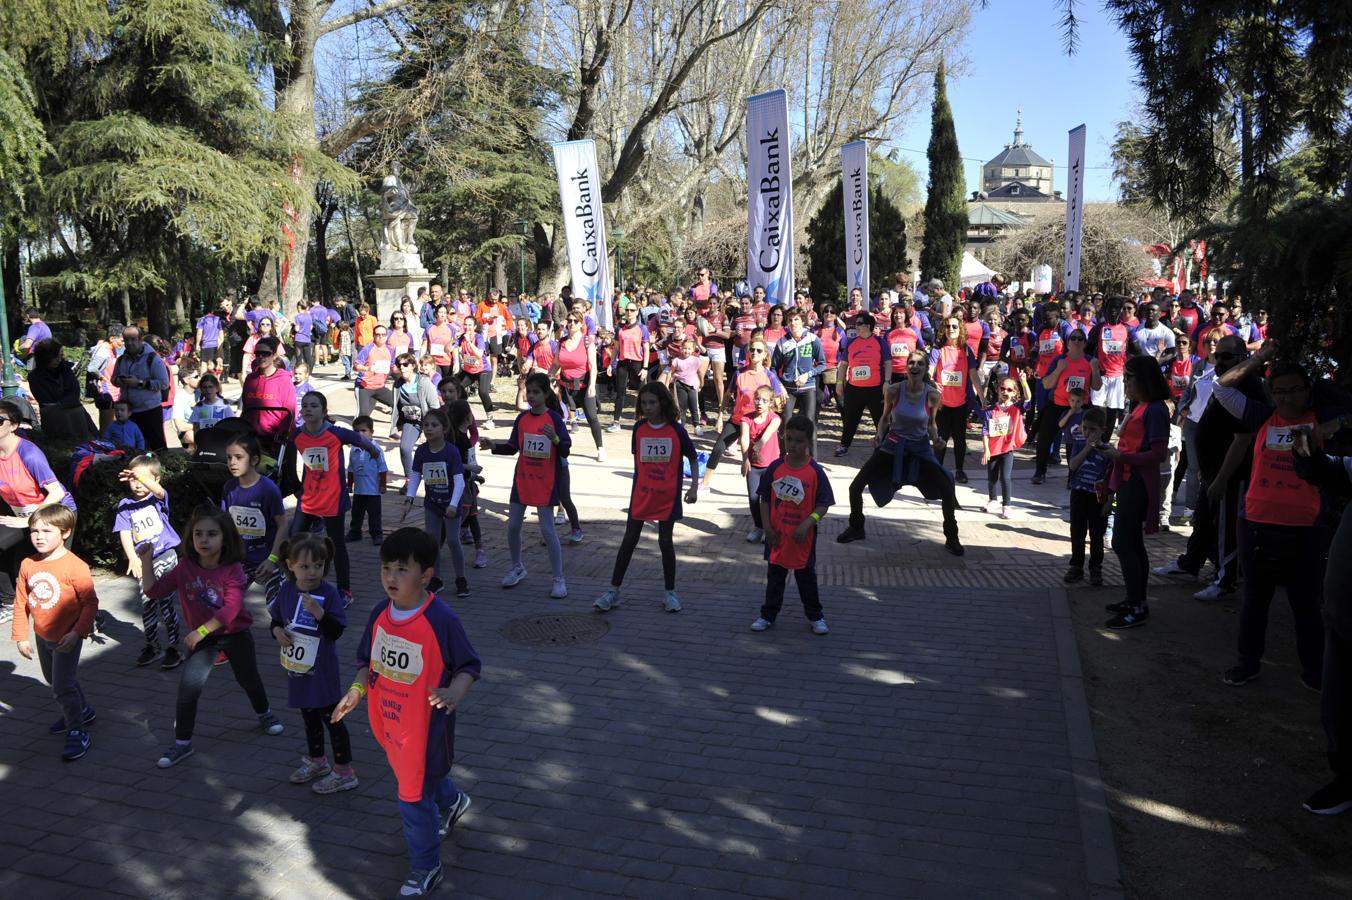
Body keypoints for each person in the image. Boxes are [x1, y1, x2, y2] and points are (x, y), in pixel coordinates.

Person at [330, 528, 479, 899]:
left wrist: (454, 693)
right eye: (385, 569)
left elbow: (469, 665)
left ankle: (426, 866)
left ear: (426, 575)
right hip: (389, 723)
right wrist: (357, 690)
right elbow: (368, 662)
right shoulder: (381, 613)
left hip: (426, 728)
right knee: (422, 780)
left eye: (401, 570)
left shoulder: (441, 619)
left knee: (412, 798)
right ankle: (452, 800)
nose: (390, 578)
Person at [1210, 356, 1326, 688]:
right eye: (1280, 392)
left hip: (1305, 529)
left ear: (1308, 392)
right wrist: (1261, 356)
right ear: (1271, 394)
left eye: (1295, 391)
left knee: (1305, 605)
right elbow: (1221, 387)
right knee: (1255, 601)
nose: (1288, 398)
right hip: (1257, 524)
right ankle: (1247, 664)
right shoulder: (1262, 417)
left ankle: (1314, 674)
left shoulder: (1324, 421)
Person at [138, 506, 283, 767]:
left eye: (212, 534)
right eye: (198, 534)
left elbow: (230, 611)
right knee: (188, 689)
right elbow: (154, 591)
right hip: (204, 640)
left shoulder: (233, 569)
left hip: (235, 634)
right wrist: (146, 560)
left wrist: (200, 631)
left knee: (248, 679)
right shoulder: (185, 568)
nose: (204, 540)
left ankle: (266, 714)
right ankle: (182, 744)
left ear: (225, 538)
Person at [838, 350, 964, 556]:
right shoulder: (894, 391)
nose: (915, 367)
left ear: (925, 369)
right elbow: (885, 418)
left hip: (920, 448)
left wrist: (937, 440)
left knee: (946, 486)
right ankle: (856, 527)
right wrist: (879, 436)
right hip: (893, 445)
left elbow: (931, 424)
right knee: (856, 486)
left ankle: (952, 536)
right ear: (906, 367)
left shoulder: (932, 394)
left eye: (920, 364)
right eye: (911, 363)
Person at [594, 383, 699, 614]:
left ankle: (670, 593)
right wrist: (635, 490)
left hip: (667, 496)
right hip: (641, 495)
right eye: (644, 403)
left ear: (663, 402)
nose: (648, 407)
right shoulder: (639, 428)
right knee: (629, 541)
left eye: (653, 402)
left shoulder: (676, 430)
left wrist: (693, 488)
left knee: (665, 543)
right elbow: (638, 464)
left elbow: (692, 457)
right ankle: (613, 591)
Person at [1290, 425, 1352, 813]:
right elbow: (1329, 472)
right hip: (1344, 614)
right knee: (1340, 691)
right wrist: (1307, 452)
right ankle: (1345, 777)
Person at [268, 533, 356, 794]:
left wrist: (320, 614)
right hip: (298, 670)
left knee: (333, 719)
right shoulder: (287, 590)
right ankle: (318, 761)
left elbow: (337, 631)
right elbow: (275, 621)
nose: (312, 572)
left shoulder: (328, 594)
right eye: (305, 566)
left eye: (318, 565)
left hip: (323, 670)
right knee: (309, 717)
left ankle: (344, 772)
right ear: (290, 565)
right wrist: (277, 633)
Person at [10, 505, 99, 761]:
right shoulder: (28, 564)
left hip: (68, 635)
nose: (38, 536)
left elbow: (90, 603)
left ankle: (77, 731)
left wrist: (78, 633)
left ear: (65, 532)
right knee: (57, 680)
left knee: (61, 686)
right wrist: (21, 636)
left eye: (46, 531)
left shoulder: (75, 566)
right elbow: (21, 602)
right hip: (42, 634)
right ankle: (83, 710)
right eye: (34, 531)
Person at [479, 372, 570, 599]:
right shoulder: (522, 419)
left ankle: (559, 579)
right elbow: (512, 447)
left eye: (536, 392)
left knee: (547, 530)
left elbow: (566, 448)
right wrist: (493, 445)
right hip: (522, 480)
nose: (531, 396)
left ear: (546, 393)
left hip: (546, 482)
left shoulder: (554, 420)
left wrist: (555, 440)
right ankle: (517, 567)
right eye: (528, 391)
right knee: (512, 526)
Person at [1098, 356, 1172, 629]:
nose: (1126, 381)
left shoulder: (1155, 410)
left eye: (1130, 377)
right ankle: (1134, 599)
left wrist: (1118, 455)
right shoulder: (1142, 406)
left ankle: (1137, 604)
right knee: (1130, 543)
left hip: (1139, 482)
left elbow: (1158, 454)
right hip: (1129, 478)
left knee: (1123, 543)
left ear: (1144, 379)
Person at [289, 391, 381, 608]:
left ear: (324, 412)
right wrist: (295, 487)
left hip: (332, 496)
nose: (308, 409)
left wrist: (373, 452)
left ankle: (344, 590)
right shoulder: (296, 435)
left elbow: (360, 439)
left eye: (314, 406)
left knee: (336, 544)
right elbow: (288, 461)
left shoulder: (336, 433)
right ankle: (296, 586)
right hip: (309, 496)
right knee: (295, 540)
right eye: (305, 406)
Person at [749, 415, 834, 635]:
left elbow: (824, 505)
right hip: (777, 536)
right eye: (789, 439)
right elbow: (764, 499)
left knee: (806, 579)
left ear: (808, 443)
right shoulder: (776, 467)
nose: (793, 444)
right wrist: (766, 526)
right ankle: (767, 615)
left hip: (801, 540)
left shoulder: (815, 472)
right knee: (775, 579)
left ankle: (816, 616)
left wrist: (808, 523)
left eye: (798, 440)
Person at [0, 400, 78, 625]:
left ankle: (86, 612)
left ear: (14, 425)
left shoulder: (28, 453)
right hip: (22, 515)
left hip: (55, 512)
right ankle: (8, 602)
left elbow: (54, 492)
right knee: (11, 556)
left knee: (52, 567)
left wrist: (29, 521)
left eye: (0, 420)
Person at [114, 454, 184, 669]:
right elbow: (124, 532)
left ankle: (175, 647)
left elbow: (160, 491)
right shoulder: (125, 505)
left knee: (165, 602)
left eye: (143, 479)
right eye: (133, 479)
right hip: (144, 561)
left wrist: (142, 478)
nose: (137, 484)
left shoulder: (158, 499)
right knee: (147, 604)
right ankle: (152, 645)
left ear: (156, 479)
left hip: (165, 555)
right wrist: (132, 558)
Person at [703, 338, 785, 487]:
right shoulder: (739, 373)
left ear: (765, 354)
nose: (755, 353)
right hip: (738, 420)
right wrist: (720, 416)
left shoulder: (770, 376)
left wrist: (771, 412)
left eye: (759, 350)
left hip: (759, 423)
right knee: (718, 449)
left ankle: (774, 485)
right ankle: (705, 482)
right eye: (752, 349)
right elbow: (728, 395)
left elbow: (777, 400)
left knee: (766, 457)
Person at [405, 408, 468, 597]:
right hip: (432, 503)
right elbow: (416, 475)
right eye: (426, 425)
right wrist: (409, 498)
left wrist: (454, 505)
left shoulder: (451, 452)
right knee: (432, 542)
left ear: (445, 429)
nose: (429, 429)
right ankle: (436, 579)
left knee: (452, 540)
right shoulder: (422, 451)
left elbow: (459, 480)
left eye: (434, 425)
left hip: (450, 503)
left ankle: (461, 578)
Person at [220, 433, 287, 609]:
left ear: (254, 459)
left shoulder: (268, 489)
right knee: (227, 605)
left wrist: (272, 559)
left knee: (277, 610)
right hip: (241, 560)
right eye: (229, 458)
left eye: (239, 457)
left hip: (269, 558)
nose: (232, 462)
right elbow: (225, 525)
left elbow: (283, 525)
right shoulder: (229, 487)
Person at [1035, 330, 1101, 484]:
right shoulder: (1060, 360)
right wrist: (1059, 370)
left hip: (1080, 408)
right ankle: (1040, 472)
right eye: (1073, 338)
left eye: (1080, 339)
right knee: (1044, 439)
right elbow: (1046, 384)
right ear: (1068, 342)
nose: (1076, 341)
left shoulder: (1090, 361)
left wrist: (1095, 370)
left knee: (1077, 441)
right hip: (1058, 405)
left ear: (1085, 343)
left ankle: (1075, 475)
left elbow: (1097, 387)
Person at [928, 315, 979, 483]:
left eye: (955, 327)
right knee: (940, 438)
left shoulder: (966, 350)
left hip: (960, 403)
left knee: (960, 439)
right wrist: (933, 382)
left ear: (960, 330)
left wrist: (983, 397)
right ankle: (936, 471)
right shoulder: (938, 350)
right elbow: (929, 371)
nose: (951, 329)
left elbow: (974, 375)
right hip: (942, 403)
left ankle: (959, 470)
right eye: (948, 326)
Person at [1065, 407, 1112, 586]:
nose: (1088, 433)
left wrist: (1109, 500)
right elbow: (1073, 465)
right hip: (1079, 493)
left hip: (1098, 497)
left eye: (1093, 429)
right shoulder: (1079, 444)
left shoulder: (1108, 451)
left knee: (1096, 533)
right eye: (1085, 428)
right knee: (1077, 531)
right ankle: (1076, 565)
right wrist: (1087, 447)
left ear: (1103, 430)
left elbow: (1111, 478)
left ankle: (1095, 567)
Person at [834, 313, 892, 457]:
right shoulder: (852, 342)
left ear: (868, 326)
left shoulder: (880, 342)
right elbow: (843, 365)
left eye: (859, 323)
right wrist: (840, 383)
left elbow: (888, 363)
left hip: (875, 389)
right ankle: (844, 445)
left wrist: (887, 382)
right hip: (854, 389)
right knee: (850, 419)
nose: (856, 326)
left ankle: (886, 446)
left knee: (880, 419)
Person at [549, 313, 604, 461]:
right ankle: (556, 446)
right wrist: (549, 378)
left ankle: (600, 448)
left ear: (581, 324)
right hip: (566, 387)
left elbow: (593, 366)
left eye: (575, 321)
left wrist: (592, 385)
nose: (572, 324)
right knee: (556, 416)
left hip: (584, 385)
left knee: (592, 417)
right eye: (570, 321)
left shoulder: (587, 342)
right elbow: (555, 364)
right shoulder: (561, 343)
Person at [111, 325, 170, 450]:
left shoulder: (153, 359)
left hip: (150, 411)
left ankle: (158, 467)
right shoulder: (121, 360)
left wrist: (139, 383)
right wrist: (120, 381)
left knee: (155, 447)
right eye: (126, 340)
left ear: (140, 339)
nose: (130, 343)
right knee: (134, 446)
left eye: (133, 339)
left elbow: (164, 383)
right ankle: (137, 467)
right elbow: (113, 379)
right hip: (129, 412)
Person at [981, 373, 1029, 518]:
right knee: (992, 477)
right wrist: (986, 450)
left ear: (1014, 392)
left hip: (1007, 449)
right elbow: (985, 431)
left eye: (1009, 389)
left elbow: (1028, 398)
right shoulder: (990, 410)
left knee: (1005, 478)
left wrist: (1024, 382)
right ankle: (993, 499)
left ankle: (1007, 505)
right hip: (993, 449)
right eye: (1003, 388)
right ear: (998, 390)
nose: (1005, 392)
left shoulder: (1017, 408)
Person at [446, 399, 487, 569]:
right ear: (468, 417)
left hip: (468, 482)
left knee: (472, 517)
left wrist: (474, 476)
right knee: (457, 518)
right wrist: (471, 468)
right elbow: (452, 463)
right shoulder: (456, 440)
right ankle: (440, 547)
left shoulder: (463, 437)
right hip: (459, 485)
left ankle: (480, 550)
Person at [739, 385, 782, 543]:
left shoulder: (775, 418)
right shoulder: (746, 418)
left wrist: (760, 444)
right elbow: (744, 438)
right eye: (757, 398)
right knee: (753, 498)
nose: (759, 403)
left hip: (772, 466)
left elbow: (769, 432)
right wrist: (745, 458)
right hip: (754, 466)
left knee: (771, 499)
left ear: (770, 403)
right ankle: (759, 527)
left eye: (764, 400)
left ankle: (770, 527)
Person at [241, 336, 296, 456]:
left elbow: (290, 411)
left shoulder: (284, 380)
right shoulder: (251, 379)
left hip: (275, 438)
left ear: (274, 355)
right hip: (251, 438)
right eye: (258, 353)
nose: (261, 357)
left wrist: (283, 437)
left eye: (265, 353)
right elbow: (245, 408)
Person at [772, 310, 826, 426]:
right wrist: (780, 386)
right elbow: (773, 368)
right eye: (790, 320)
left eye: (796, 319)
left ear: (802, 321)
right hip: (788, 388)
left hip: (808, 386)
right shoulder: (782, 342)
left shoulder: (812, 339)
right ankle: (785, 444)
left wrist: (808, 375)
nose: (793, 323)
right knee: (785, 420)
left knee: (810, 421)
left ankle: (810, 444)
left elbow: (822, 364)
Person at [393, 353, 440, 480]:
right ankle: (409, 479)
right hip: (411, 422)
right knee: (404, 448)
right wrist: (395, 426)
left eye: (405, 364)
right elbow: (396, 406)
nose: (402, 368)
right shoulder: (398, 384)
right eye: (399, 365)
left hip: (429, 422)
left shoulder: (423, 383)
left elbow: (435, 406)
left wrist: (426, 430)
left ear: (413, 366)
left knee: (433, 453)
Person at [1088, 298, 1130, 436]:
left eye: (1116, 308)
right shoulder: (1099, 328)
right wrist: (1094, 366)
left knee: (1112, 411)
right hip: (1101, 376)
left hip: (1117, 377)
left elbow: (1134, 351)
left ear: (1120, 311)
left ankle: (1105, 441)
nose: (1113, 311)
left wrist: (1127, 370)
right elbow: (1087, 350)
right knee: (1097, 409)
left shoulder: (1126, 329)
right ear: (1105, 310)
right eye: (1110, 308)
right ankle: (1095, 438)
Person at [344, 415, 388, 546]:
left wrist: (383, 485)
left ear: (371, 432)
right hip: (359, 490)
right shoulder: (354, 450)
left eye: (363, 431)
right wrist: (349, 485)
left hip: (373, 490)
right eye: (356, 431)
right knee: (356, 513)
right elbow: (351, 468)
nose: (360, 434)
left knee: (374, 514)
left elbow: (382, 468)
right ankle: (355, 532)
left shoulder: (376, 449)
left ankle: (376, 533)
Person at [607, 304, 651, 432]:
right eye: (627, 310)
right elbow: (616, 348)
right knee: (620, 393)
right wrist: (611, 364)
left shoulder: (642, 328)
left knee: (642, 393)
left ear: (637, 312)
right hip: (623, 363)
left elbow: (646, 349)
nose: (629, 312)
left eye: (632, 310)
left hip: (638, 362)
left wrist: (645, 368)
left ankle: (643, 421)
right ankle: (616, 422)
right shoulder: (620, 328)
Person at [456, 317, 494, 429]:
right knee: (457, 388)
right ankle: (463, 415)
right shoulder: (462, 337)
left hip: (483, 370)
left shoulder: (479, 338)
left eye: (470, 325)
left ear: (475, 327)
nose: (467, 327)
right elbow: (448, 349)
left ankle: (490, 419)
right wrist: (452, 340)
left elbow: (478, 354)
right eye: (465, 325)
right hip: (469, 370)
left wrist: (468, 342)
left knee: (483, 392)